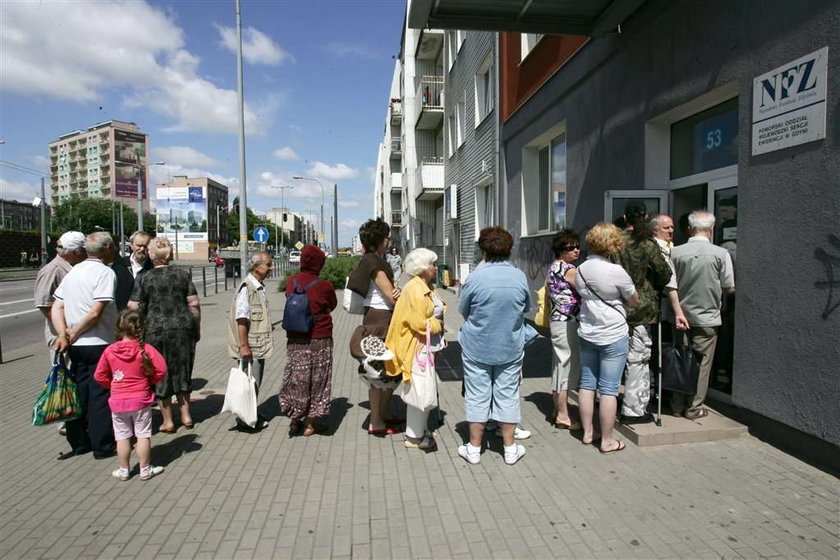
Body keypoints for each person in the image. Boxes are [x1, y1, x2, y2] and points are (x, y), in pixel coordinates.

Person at [457, 227, 530, 466]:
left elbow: (463, 311)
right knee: (507, 395)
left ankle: (474, 449)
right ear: (509, 250)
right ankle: (510, 449)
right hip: (509, 346)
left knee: (477, 396)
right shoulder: (519, 276)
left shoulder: (475, 278)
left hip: (477, 346)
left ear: (483, 251)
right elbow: (526, 308)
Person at [52, 232, 120, 459]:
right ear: (108, 247)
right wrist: (73, 332)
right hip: (98, 342)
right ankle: (102, 445)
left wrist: (64, 334)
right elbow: (96, 312)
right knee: (100, 394)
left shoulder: (73, 272)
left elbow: (57, 306)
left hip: (76, 345)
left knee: (79, 392)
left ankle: (79, 442)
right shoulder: (104, 273)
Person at [575, 223, 639, 454]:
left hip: (588, 331)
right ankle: (607, 440)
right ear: (613, 244)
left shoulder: (580, 269)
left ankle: (588, 433)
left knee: (587, 384)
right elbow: (633, 300)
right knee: (609, 389)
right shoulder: (616, 271)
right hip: (613, 333)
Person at [129, 237, 201, 433]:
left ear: (152, 255)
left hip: (155, 330)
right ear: (170, 254)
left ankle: (168, 420)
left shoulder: (144, 278)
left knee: (160, 373)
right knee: (182, 369)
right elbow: (194, 305)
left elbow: (133, 306)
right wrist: (196, 328)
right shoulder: (182, 275)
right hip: (182, 328)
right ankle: (186, 416)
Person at [670, 211, 735, 420]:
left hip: (680, 315)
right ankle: (694, 407)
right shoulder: (720, 253)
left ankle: (677, 404)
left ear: (689, 228)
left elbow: (670, 285)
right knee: (703, 364)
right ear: (712, 228)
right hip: (707, 316)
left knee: (680, 360)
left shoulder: (675, 253)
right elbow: (727, 286)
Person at [612, 203, 672, 425]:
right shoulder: (647, 244)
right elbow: (664, 273)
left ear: (625, 216)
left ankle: (607, 399)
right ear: (645, 217)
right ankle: (634, 409)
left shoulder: (614, 243)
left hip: (614, 307)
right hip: (642, 308)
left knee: (612, 355)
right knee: (638, 358)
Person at [93, 309, 167, 481]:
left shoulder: (110, 351)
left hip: (118, 400)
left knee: (122, 436)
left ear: (119, 328)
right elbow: (161, 370)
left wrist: (112, 385)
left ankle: (124, 470)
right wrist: (149, 381)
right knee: (142, 435)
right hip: (141, 398)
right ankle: (145, 469)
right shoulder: (146, 349)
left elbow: (99, 375)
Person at [347, 218, 403, 435]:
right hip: (380, 320)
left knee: (386, 371)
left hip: (376, 317)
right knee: (378, 372)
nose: (389, 239)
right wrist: (401, 293)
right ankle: (377, 421)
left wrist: (396, 289)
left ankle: (383, 414)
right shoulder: (375, 264)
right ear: (381, 239)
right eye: (387, 236)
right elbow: (391, 298)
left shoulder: (373, 259)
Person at [385, 248, 445, 450]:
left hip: (421, 346)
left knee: (421, 390)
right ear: (422, 267)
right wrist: (438, 325)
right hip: (417, 347)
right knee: (419, 391)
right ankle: (413, 437)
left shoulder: (420, 286)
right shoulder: (416, 289)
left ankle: (417, 431)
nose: (435, 268)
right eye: (432, 264)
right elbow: (420, 323)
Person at [280, 245, 338, 436]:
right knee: (319, 380)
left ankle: (295, 419)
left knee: (298, 379)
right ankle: (311, 424)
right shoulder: (324, 285)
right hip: (319, 338)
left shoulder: (291, 281)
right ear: (319, 263)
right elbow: (333, 305)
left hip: (296, 338)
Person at [227, 251, 274, 430]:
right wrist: (244, 346)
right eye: (268, 265)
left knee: (254, 381)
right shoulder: (247, 288)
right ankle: (245, 419)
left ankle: (251, 412)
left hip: (258, 344)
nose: (271, 268)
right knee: (249, 383)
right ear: (256, 267)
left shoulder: (258, 286)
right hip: (251, 346)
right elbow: (241, 319)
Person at [546, 228, 582, 430]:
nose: (576, 250)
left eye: (578, 247)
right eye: (571, 247)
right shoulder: (567, 269)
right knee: (565, 366)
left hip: (559, 320)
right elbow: (585, 289)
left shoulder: (553, 267)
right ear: (560, 250)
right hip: (567, 321)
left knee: (559, 364)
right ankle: (563, 415)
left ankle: (556, 410)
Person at [34, 231, 87, 349]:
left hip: (77, 332)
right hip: (62, 335)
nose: (85, 254)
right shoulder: (53, 270)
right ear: (73, 252)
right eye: (83, 251)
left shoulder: (75, 266)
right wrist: (64, 329)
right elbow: (44, 305)